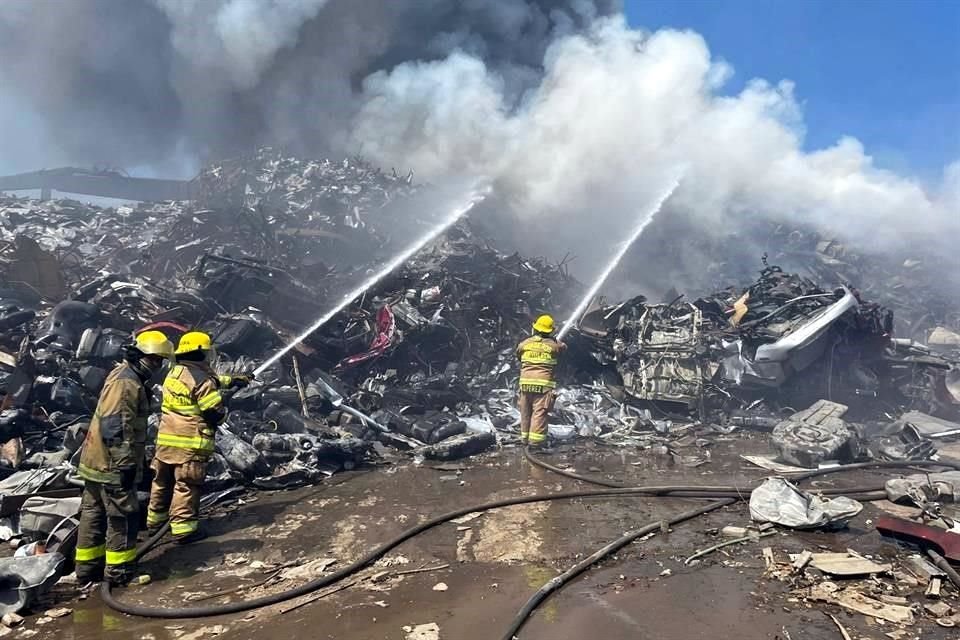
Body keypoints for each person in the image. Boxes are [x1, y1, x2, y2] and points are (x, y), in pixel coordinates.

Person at [75, 330, 174, 586]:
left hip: (95, 461)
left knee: (93, 514)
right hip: (111, 464)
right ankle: (119, 573)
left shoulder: (121, 373)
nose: (158, 366)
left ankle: (87, 570)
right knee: (123, 515)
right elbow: (115, 426)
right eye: (155, 360)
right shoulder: (127, 382)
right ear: (141, 356)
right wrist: (126, 464)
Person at [146, 332, 249, 543]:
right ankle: (184, 530)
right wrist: (225, 405)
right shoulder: (203, 381)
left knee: (162, 482)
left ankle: (155, 523)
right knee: (186, 484)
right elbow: (215, 414)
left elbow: (207, 381)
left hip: (166, 441)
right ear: (202, 353)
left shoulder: (176, 372)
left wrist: (233, 381)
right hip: (190, 444)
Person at [516, 314, 566, 449]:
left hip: (525, 383)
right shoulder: (554, 345)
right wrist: (554, 340)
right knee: (539, 412)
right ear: (550, 331)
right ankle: (536, 443)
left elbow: (518, 354)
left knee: (525, 411)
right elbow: (563, 349)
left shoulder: (525, 343)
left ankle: (524, 439)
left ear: (535, 329)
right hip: (543, 385)